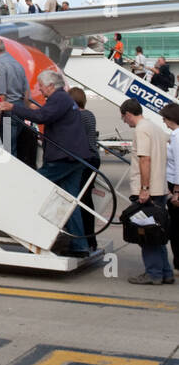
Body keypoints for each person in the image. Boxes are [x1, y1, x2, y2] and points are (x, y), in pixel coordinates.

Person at [0, 71, 91, 256]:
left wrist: (12, 107)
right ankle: (80, 246)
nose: (39, 88)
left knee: (33, 183)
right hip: (74, 157)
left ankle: (25, 229)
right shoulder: (63, 99)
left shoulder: (59, 98)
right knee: (69, 202)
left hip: (64, 158)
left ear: (50, 86)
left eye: (41, 85)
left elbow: (42, 116)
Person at [118, 98, 172, 284]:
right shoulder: (155, 127)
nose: (125, 122)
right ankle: (166, 272)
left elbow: (145, 160)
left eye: (124, 118)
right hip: (161, 188)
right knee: (158, 231)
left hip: (149, 191)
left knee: (146, 233)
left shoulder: (141, 130)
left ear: (128, 114)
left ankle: (154, 273)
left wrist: (144, 188)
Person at [69, 87, 101, 251]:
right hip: (94, 158)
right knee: (86, 198)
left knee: (81, 199)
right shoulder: (89, 114)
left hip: (85, 160)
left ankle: (85, 237)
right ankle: (91, 239)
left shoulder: (77, 116)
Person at [0, 38, 28, 160]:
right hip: (20, 108)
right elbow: (27, 92)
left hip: (9, 109)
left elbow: (1, 94)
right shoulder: (18, 64)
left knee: (8, 149)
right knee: (14, 146)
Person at [161, 101, 179, 279]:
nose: (164, 122)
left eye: (165, 119)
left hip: (176, 185)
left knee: (175, 228)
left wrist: (176, 192)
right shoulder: (174, 135)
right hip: (174, 184)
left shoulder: (176, 136)